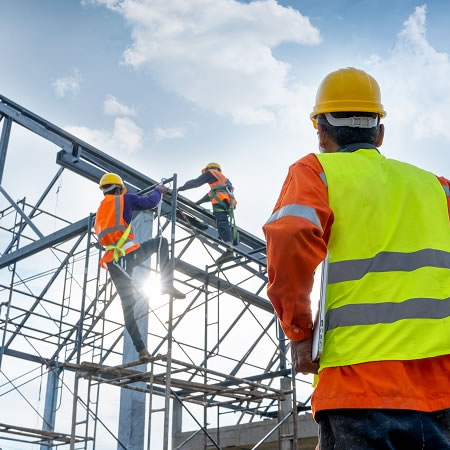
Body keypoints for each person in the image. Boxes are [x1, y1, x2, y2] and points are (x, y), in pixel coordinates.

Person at [263, 67, 450, 449]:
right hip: (442, 388)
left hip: (357, 385)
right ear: (379, 131)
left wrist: (299, 331)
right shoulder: (437, 188)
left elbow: (291, 235)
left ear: (320, 130)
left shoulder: (316, 172)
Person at [94, 172, 185, 359]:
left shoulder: (101, 210)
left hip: (112, 261)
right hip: (127, 253)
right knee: (161, 242)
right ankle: (166, 284)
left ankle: (141, 350)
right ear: (119, 188)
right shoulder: (124, 199)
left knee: (127, 306)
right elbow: (150, 203)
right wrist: (159, 190)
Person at [178, 163, 237, 265]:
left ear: (209, 169)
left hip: (220, 201)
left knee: (222, 222)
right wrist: (197, 203)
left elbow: (195, 183)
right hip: (227, 202)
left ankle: (229, 248)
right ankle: (229, 248)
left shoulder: (211, 172)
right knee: (222, 222)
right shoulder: (223, 181)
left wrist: (179, 188)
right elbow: (209, 195)